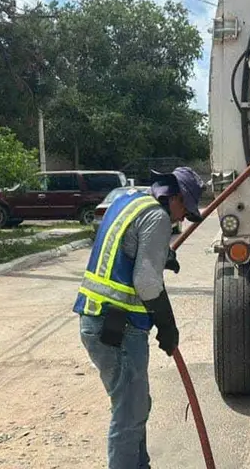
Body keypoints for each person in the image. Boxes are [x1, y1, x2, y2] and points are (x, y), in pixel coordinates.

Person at [73, 166, 206, 469]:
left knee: (134, 406)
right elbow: (146, 282)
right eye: (185, 210)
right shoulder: (158, 217)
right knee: (129, 414)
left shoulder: (127, 201)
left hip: (96, 320)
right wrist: (167, 325)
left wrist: (161, 253)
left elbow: (127, 247)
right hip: (119, 326)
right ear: (174, 197)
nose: (181, 219)